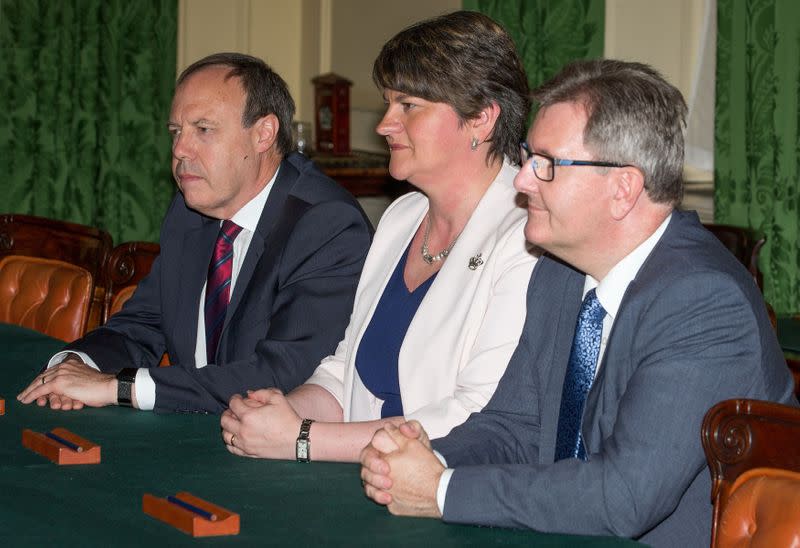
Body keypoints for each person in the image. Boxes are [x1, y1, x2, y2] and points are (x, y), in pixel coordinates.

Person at [359, 59, 797, 546]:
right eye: (528, 157)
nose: (522, 180)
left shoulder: (703, 302)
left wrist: (441, 490)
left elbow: (624, 497)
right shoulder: (558, 273)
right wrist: (426, 456)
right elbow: (514, 425)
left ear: (622, 189)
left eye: (546, 164)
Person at [219, 11, 537, 462]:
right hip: (361, 478)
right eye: (389, 103)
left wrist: (303, 439)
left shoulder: (527, 237)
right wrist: (278, 412)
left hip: (444, 495)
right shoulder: (401, 217)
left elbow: (476, 416)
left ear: (482, 119)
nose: (385, 123)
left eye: (408, 105)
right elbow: (345, 372)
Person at [17, 53, 372, 413]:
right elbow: (145, 322)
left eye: (203, 130)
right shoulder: (191, 210)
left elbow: (280, 376)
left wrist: (118, 387)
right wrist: (78, 364)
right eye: (176, 131)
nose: (179, 150)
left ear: (264, 134)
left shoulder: (326, 225)